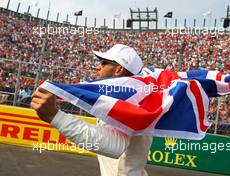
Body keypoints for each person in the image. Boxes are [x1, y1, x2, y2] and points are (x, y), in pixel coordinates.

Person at [31, 44, 153, 176]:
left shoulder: (127, 101)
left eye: (104, 63)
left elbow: (114, 145)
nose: (98, 67)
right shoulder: (134, 97)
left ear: (119, 69)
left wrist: (55, 116)